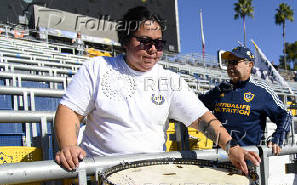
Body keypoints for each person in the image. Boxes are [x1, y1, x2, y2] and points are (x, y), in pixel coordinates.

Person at [54, 6, 260, 174]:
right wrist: (69, 145)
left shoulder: (169, 80)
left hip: (152, 173)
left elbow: (203, 119)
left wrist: (230, 147)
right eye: (144, 42)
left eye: (158, 43)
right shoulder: (97, 68)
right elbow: (69, 111)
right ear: (126, 41)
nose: (153, 49)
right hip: (102, 173)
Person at [198, 46, 292, 155]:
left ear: (250, 65)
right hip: (218, 158)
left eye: (234, 62)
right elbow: (196, 105)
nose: (230, 66)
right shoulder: (220, 89)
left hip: (247, 161)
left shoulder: (261, 91)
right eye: (228, 62)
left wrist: (278, 136)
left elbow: (286, 115)